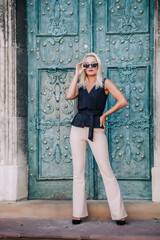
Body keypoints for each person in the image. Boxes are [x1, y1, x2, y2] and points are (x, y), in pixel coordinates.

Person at [66, 52, 128, 226]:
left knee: (106, 171)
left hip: (96, 129)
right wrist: (76, 74)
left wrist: (105, 115)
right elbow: (69, 95)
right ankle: (78, 213)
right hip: (77, 129)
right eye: (86, 65)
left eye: (93, 64)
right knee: (78, 172)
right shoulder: (81, 83)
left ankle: (119, 214)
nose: (90, 67)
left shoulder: (105, 83)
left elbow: (122, 100)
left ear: (98, 66)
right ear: (83, 67)